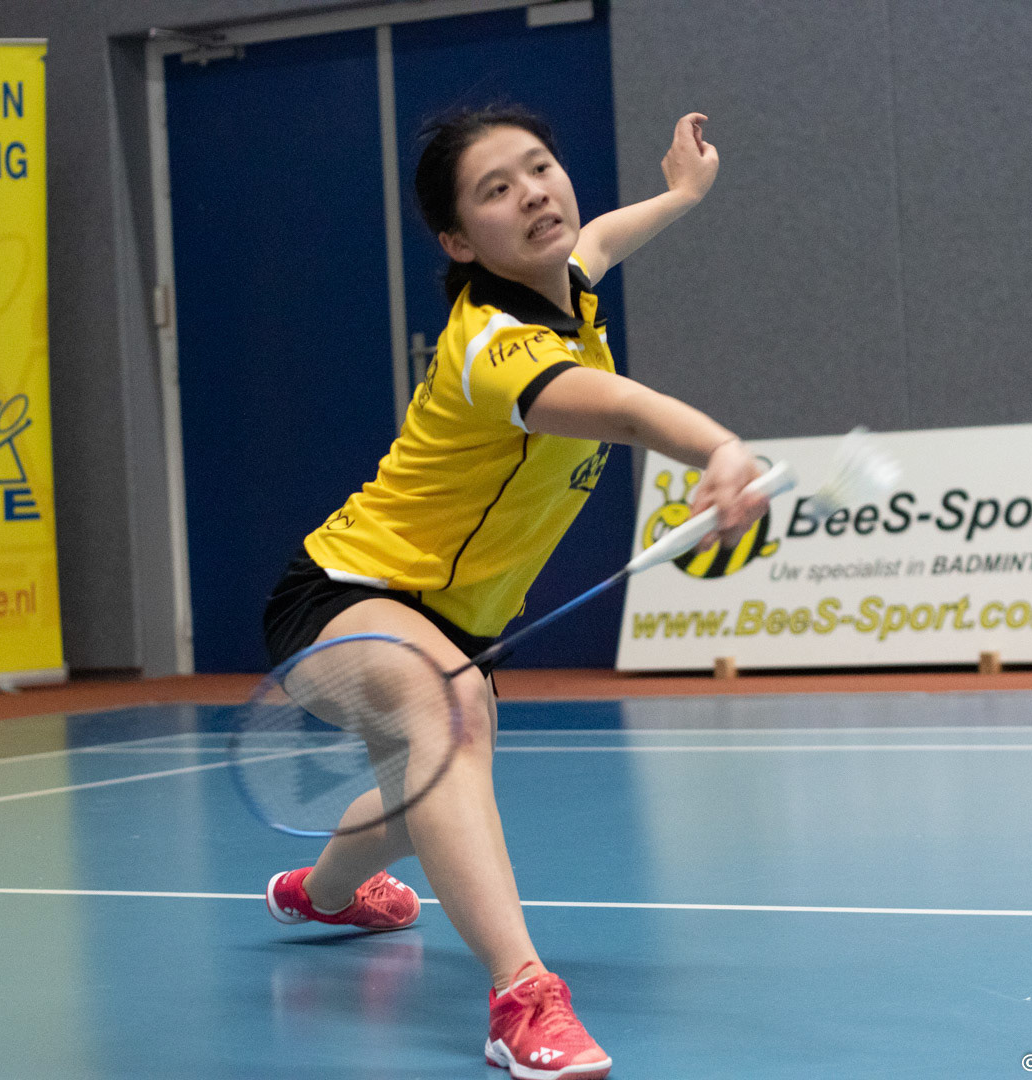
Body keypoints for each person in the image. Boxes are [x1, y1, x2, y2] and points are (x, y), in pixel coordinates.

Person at [260, 103, 766, 1080]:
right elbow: (619, 410)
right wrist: (717, 447)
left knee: (421, 795)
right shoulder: (493, 345)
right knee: (446, 711)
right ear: (458, 242)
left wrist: (680, 195)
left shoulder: (564, 283)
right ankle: (520, 997)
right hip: (342, 592)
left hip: (451, 616)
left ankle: (321, 894)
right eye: (496, 190)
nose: (533, 193)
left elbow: (600, 240)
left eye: (539, 167)